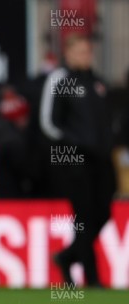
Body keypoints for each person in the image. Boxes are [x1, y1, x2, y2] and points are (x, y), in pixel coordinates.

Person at [39, 34, 116, 288]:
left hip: (101, 159)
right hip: (74, 160)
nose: (85, 56)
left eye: (88, 52)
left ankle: (67, 255)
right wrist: (73, 143)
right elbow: (49, 123)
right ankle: (91, 278)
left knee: (103, 212)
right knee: (83, 216)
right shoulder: (59, 79)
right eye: (80, 52)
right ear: (68, 53)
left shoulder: (97, 83)